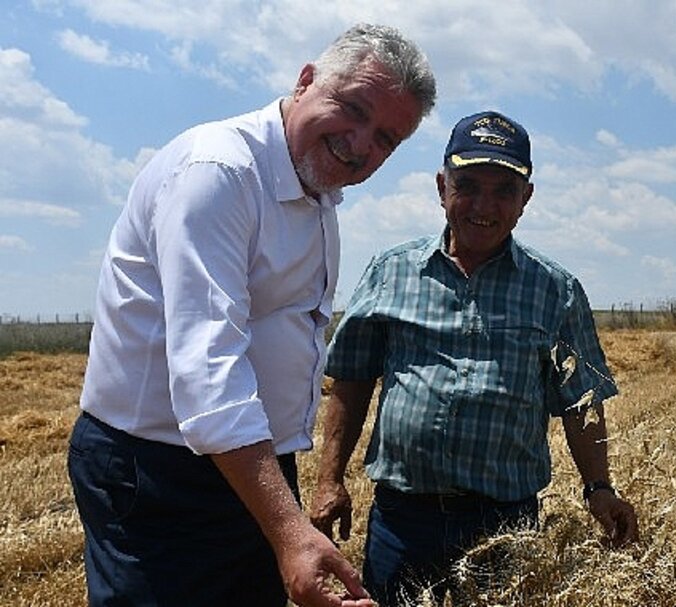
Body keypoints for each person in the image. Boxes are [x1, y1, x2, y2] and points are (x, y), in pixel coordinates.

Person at [67, 24, 436, 607]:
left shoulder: (314, 191)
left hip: (247, 463)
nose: (360, 145)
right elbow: (208, 372)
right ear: (307, 79)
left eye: (386, 139)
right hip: (160, 474)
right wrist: (290, 532)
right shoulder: (219, 173)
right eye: (353, 109)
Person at [311, 110, 639, 605]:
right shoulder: (391, 271)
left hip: (504, 526)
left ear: (525, 199)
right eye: (467, 185)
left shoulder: (556, 291)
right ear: (442, 187)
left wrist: (599, 488)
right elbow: (352, 380)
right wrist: (329, 479)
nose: (484, 205)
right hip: (403, 521)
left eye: (504, 190)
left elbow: (581, 400)